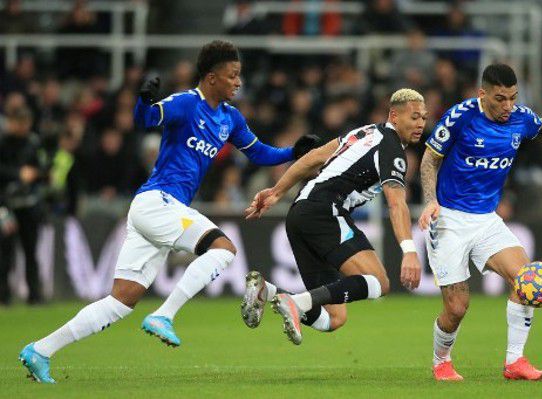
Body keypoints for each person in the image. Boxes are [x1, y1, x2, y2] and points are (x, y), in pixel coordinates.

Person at [18, 40, 320, 384]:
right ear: (210, 77)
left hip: (160, 211)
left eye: (240, 76)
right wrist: (143, 97)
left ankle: (40, 350)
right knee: (224, 250)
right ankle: (164, 315)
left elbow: (260, 153)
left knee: (121, 302)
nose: (238, 82)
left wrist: (293, 151)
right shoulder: (185, 103)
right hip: (157, 201)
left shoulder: (230, 118)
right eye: (232, 76)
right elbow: (145, 119)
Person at [418, 64, 542, 381]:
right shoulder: (461, 116)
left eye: (513, 98)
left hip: (486, 220)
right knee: (457, 307)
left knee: (526, 280)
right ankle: (441, 361)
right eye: (500, 99)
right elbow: (429, 159)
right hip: (448, 218)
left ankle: (515, 362)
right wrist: (430, 201)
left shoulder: (521, 118)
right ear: (483, 94)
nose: (508, 107)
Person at [242, 89, 425, 345]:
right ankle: (295, 302)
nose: (420, 124)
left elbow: (314, 158)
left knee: (334, 317)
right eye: (414, 117)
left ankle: (269, 292)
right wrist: (409, 250)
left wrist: (277, 192)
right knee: (380, 282)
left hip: (299, 213)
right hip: (325, 210)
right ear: (394, 116)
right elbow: (397, 205)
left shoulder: (361, 132)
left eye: (424, 118)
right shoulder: (392, 148)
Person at [0, 107, 44, 306]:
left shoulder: (33, 144)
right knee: (4, 253)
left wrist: (35, 174)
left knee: (31, 251)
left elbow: (43, 170)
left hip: (28, 204)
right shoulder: (3, 144)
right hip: (6, 206)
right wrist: (19, 173)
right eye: (20, 122)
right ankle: (3, 295)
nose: (23, 127)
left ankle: (34, 295)